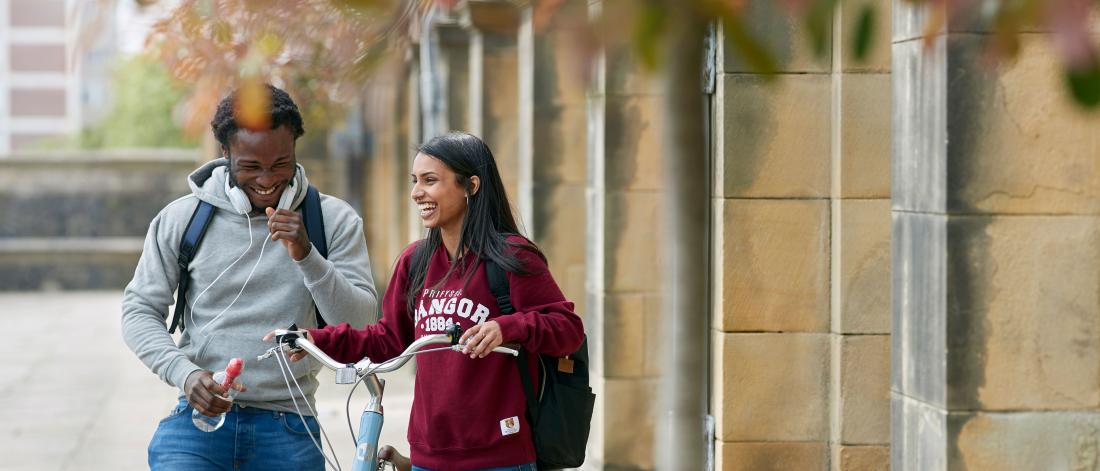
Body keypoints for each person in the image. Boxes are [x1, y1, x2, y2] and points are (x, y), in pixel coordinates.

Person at [270, 132, 584, 471]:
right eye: (415, 181)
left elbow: (568, 328)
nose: (417, 192)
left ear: (471, 186)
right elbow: (388, 340)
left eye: (430, 180)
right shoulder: (415, 262)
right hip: (429, 456)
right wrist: (319, 338)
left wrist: (506, 327)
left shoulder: (511, 257)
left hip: (500, 455)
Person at [121, 84, 379, 470]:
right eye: (250, 166)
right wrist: (185, 374)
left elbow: (361, 324)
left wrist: (307, 255)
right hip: (196, 423)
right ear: (225, 155)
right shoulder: (182, 220)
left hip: (290, 426)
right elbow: (139, 311)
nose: (266, 180)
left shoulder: (333, 220)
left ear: (295, 150)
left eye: (280, 164)